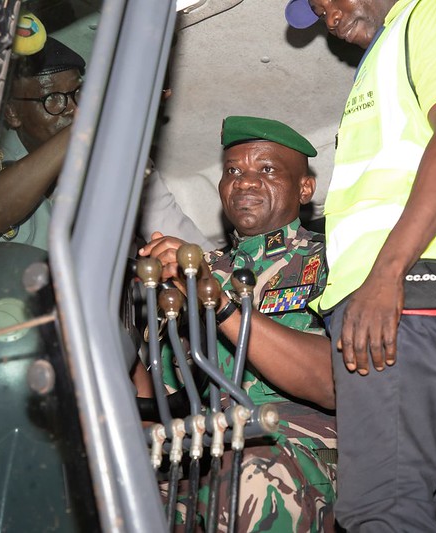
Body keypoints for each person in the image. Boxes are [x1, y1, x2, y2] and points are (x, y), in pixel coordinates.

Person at [285, 0, 436, 531]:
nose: (331, 19)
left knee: (381, 509)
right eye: (320, 13)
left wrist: (386, 275)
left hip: (399, 298)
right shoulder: (387, 51)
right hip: (411, 303)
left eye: (330, 1)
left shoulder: (434, 12)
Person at [138, 116, 337, 532]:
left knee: (248, 472)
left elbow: (332, 382)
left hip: (293, 444)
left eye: (267, 169)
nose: (244, 181)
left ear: (304, 189)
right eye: (232, 170)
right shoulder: (198, 269)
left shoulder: (331, 259)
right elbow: (159, 399)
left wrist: (218, 302)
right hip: (201, 446)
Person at [0, 36, 211, 251]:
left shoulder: (118, 159)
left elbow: (184, 244)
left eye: (79, 93)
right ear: (12, 113)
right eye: (52, 99)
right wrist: (86, 126)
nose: (74, 109)